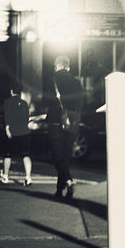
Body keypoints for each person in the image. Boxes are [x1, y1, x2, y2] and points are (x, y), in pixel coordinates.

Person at [48, 55, 84, 200]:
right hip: (72, 122)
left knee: (57, 156)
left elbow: (47, 99)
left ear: (56, 65)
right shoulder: (77, 82)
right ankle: (60, 189)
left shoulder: (53, 79)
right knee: (65, 156)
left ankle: (68, 182)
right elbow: (82, 102)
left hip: (56, 121)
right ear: (68, 67)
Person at [0, 81, 32, 185]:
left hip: (12, 132)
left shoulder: (7, 102)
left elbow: (7, 116)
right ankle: (28, 178)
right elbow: (27, 118)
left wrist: (7, 129)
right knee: (25, 155)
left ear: (11, 91)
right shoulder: (24, 103)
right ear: (20, 92)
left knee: (8, 154)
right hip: (24, 132)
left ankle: (5, 176)